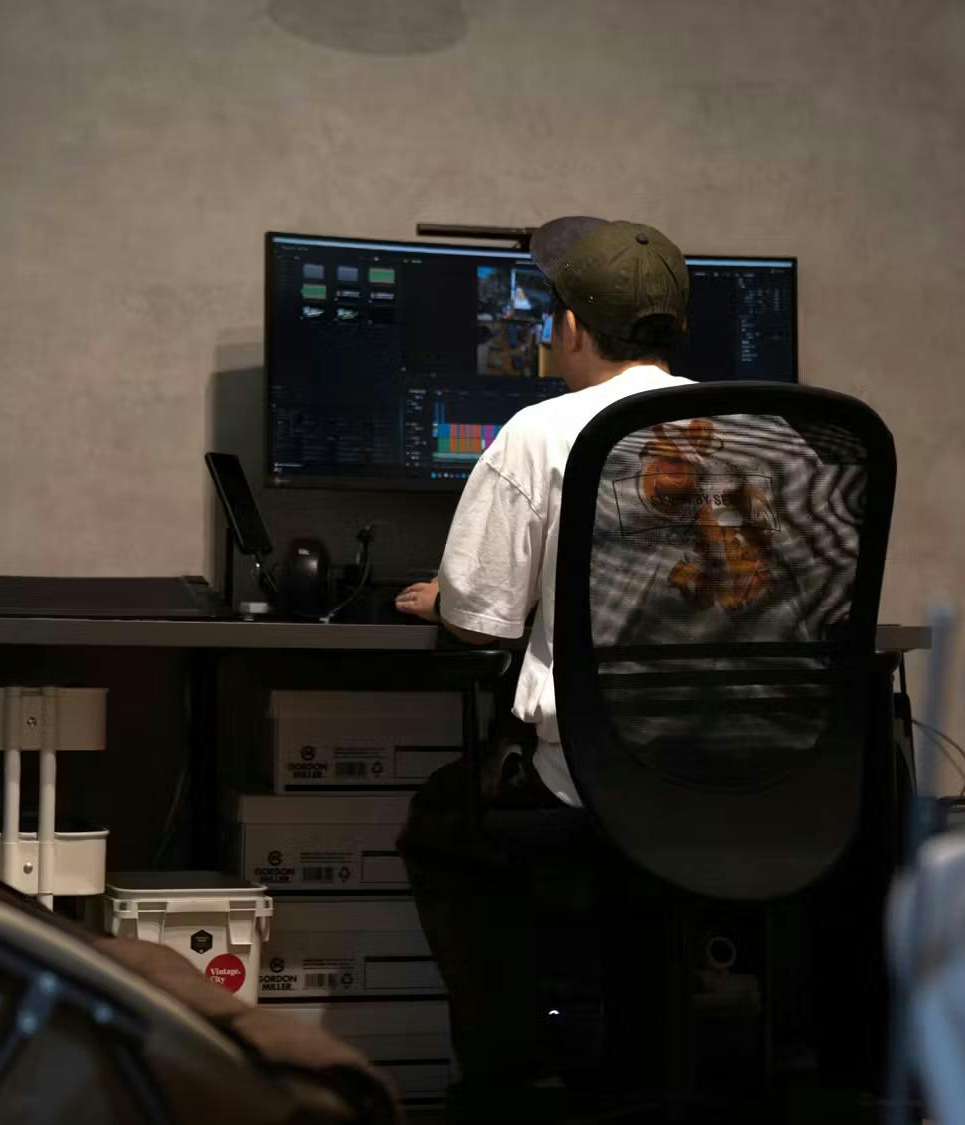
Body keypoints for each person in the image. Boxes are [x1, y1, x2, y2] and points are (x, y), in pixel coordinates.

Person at [392, 216, 694, 1106]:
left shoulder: (541, 432)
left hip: (595, 782)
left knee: (444, 825)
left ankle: (511, 1086)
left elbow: (483, 621)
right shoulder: (755, 430)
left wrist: (446, 597)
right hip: (731, 778)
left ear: (569, 327)